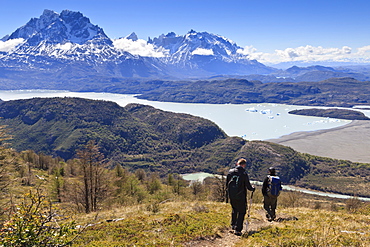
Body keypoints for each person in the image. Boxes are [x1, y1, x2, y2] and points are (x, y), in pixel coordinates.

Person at [226, 158, 255, 236]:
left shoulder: (230, 172)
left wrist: (228, 195)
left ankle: (233, 225)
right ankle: (238, 230)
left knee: (234, 209)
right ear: (244, 165)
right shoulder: (244, 173)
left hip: (232, 195)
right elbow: (248, 186)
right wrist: (253, 188)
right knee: (242, 212)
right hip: (241, 196)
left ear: (237, 164)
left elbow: (227, 185)